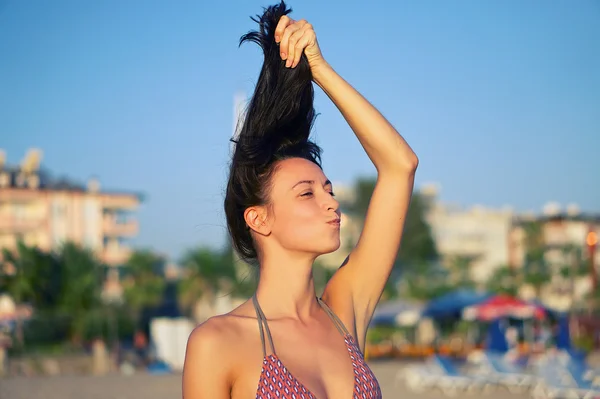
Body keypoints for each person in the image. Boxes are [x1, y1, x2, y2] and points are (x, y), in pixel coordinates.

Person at [182, 2, 418, 398]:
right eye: (306, 193)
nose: (331, 204)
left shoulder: (345, 310)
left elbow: (400, 165)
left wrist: (320, 70)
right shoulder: (218, 342)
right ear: (259, 219)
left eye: (328, 189)